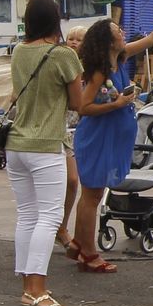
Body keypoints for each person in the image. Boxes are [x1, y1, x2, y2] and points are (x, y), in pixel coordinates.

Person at [69, 7, 153, 272]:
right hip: (98, 138)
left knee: (92, 195)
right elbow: (82, 107)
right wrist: (118, 103)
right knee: (92, 196)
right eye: (118, 31)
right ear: (108, 41)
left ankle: (78, 245)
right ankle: (89, 254)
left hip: (111, 137)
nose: (123, 32)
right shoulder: (99, 71)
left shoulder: (120, 59)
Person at [6, 0, 85, 306]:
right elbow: (77, 104)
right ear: (56, 20)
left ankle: (28, 285)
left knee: (27, 215)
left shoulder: (19, 51)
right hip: (46, 145)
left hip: (16, 145)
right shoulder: (64, 55)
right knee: (50, 217)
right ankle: (37, 289)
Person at [54, 24, 88, 251]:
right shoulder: (62, 64)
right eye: (70, 38)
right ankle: (60, 228)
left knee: (76, 184)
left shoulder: (90, 69)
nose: (74, 42)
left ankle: (63, 226)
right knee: (70, 180)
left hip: (82, 131)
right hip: (61, 129)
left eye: (79, 39)